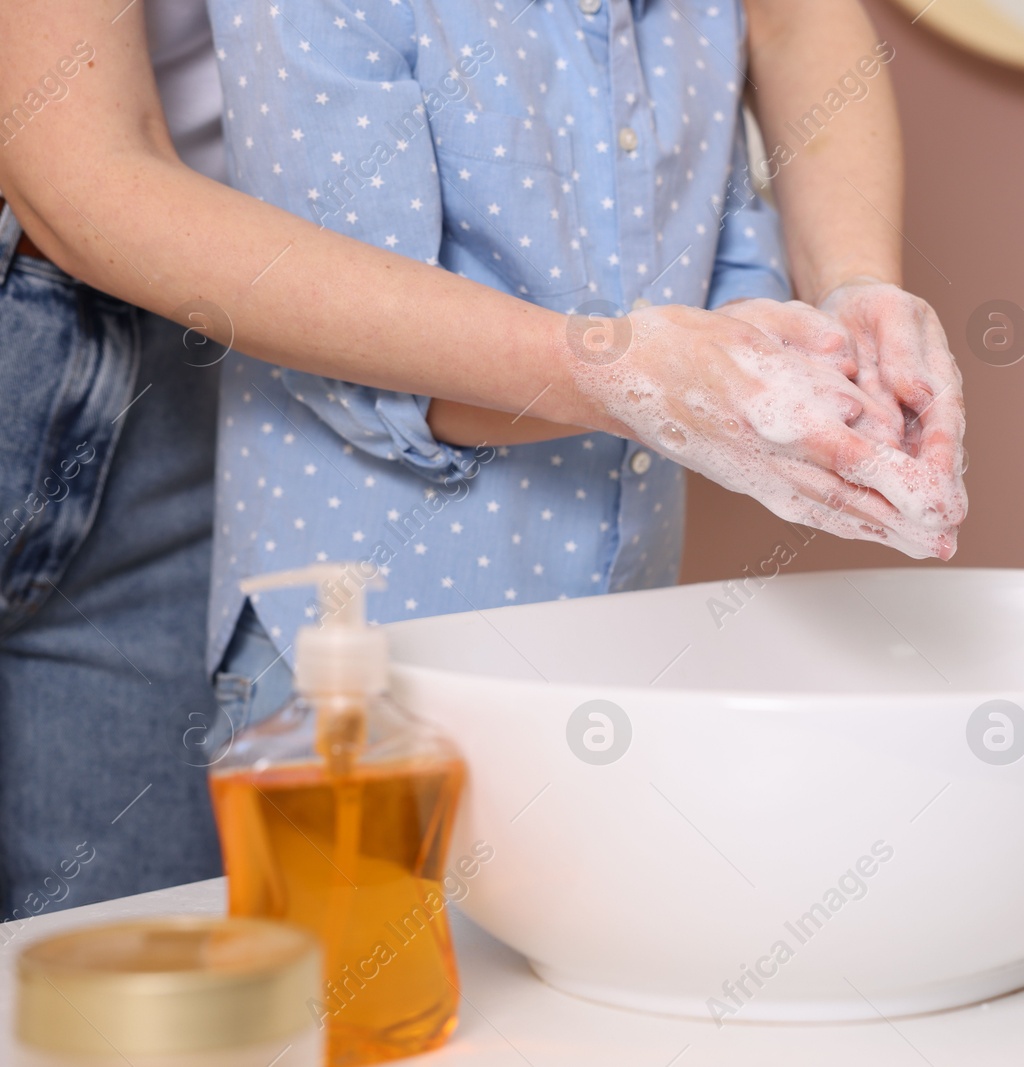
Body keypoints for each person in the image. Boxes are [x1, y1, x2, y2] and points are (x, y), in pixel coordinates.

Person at [0, 0, 964, 912]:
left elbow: (776, 73)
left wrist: (839, 301)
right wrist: (640, 380)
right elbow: (84, 176)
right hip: (216, 373)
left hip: (211, 346)